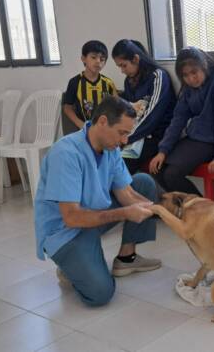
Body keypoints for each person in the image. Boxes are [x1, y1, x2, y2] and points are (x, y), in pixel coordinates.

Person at [34, 95, 161, 306]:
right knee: (100, 294)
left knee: (143, 183)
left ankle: (126, 259)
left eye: (127, 134)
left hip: (92, 216)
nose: (125, 141)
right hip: (65, 231)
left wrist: (164, 211)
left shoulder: (110, 148)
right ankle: (70, 265)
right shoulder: (66, 153)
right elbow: (72, 218)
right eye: (122, 133)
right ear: (102, 122)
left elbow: (127, 194)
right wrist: (125, 213)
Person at [149, 46, 214, 195]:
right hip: (195, 139)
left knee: (172, 175)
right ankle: (188, 212)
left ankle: (203, 212)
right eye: (185, 75)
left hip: (213, 142)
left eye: (194, 72)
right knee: (157, 169)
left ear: (204, 66)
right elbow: (177, 121)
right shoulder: (187, 89)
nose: (191, 79)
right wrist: (162, 151)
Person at [112, 39, 176, 175]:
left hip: (156, 135)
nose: (122, 71)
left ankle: (122, 195)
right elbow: (128, 112)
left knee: (121, 164)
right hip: (137, 135)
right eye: (119, 67)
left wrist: (127, 138)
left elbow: (152, 116)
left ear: (135, 59)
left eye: (124, 65)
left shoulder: (158, 76)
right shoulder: (129, 81)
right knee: (107, 156)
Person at [62, 40, 117, 133]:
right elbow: (67, 108)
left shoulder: (109, 83)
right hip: (84, 130)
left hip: (105, 129)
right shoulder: (75, 82)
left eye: (102, 59)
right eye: (93, 57)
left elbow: (116, 105)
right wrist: (81, 125)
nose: (98, 61)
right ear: (83, 59)